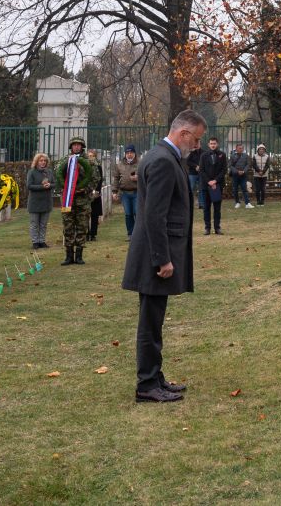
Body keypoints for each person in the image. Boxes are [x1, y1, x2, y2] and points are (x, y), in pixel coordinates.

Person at [122, 109, 205, 403]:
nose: (197, 146)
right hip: (154, 257)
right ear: (183, 133)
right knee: (150, 323)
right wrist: (162, 259)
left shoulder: (162, 156)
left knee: (154, 320)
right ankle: (146, 385)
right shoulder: (163, 161)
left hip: (155, 253)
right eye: (196, 139)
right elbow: (154, 215)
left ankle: (154, 377)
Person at [55, 136, 100, 265]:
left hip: (83, 200)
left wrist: (85, 189)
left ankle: (79, 255)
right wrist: (65, 188)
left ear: (82, 146)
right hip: (68, 200)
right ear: (71, 147)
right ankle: (69, 255)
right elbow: (58, 175)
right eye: (74, 145)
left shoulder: (90, 161)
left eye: (78, 145)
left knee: (82, 226)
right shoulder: (64, 160)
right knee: (68, 226)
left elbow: (95, 178)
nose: (76, 146)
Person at [27, 152, 55, 249]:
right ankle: (35, 242)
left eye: (44, 161)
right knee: (34, 224)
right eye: (41, 160)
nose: (43, 162)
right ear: (37, 162)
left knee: (43, 224)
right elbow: (29, 186)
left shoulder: (49, 172)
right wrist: (42, 187)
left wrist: (50, 185)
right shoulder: (32, 172)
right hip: (34, 202)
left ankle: (42, 241)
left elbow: (54, 183)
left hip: (46, 202)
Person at [112, 144, 139, 241]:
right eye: (127, 153)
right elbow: (116, 178)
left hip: (137, 192)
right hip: (125, 193)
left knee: (137, 212)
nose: (129, 154)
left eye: (131, 152)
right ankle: (130, 234)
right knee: (128, 214)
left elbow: (147, 176)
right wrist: (114, 191)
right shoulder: (120, 165)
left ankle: (138, 234)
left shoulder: (140, 163)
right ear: (125, 154)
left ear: (134, 153)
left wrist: (138, 178)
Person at [199, 137, 225, 235]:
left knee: (217, 208)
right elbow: (201, 170)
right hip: (206, 186)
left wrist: (215, 181)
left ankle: (217, 228)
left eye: (214, 143)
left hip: (218, 186)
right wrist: (209, 181)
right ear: (208, 145)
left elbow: (224, 170)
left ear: (217, 144)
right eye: (211, 143)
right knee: (206, 208)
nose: (213, 145)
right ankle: (207, 228)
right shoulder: (203, 156)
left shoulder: (222, 155)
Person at [86, 149, 104, 241]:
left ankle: (93, 234)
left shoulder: (98, 167)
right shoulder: (84, 166)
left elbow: (100, 180)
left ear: (95, 157)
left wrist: (97, 191)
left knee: (94, 214)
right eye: (89, 156)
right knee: (85, 214)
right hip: (86, 193)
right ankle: (86, 233)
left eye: (92, 156)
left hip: (95, 193)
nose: (90, 158)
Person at [229, 143, 253, 208]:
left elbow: (248, 164)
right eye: (239, 148)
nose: (241, 149)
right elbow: (230, 165)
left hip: (243, 175)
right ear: (236, 149)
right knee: (235, 189)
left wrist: (244, 171)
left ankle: (247, 203)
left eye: (242, 148)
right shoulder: (232, 156)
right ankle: (237, 202)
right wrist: (237, 171)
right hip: (235, 175)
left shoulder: (246, 156)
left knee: (244, 189)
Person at [185, 143, 204, 209]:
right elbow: (188, 162)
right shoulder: (191, 152)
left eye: (198, 144)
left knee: (201, 188)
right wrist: (195, 166)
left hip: (201, 173)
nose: (197, 145)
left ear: (200, 144)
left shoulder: (204, 152)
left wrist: (201, 167)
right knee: (191, 188)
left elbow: (206, 161)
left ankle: (201, 204)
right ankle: (189, 203)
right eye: (196, 144)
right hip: (192, 173)